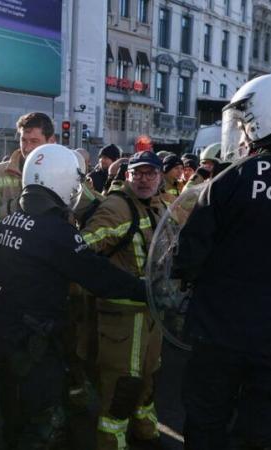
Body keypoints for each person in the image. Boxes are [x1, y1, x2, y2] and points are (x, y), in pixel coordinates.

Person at [0, 144, 147, 448]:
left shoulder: (8, 219)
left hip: (6, 330)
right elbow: (98, 276)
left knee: (12, 407)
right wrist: (144, 290)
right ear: (60, 181)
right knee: (44, 419)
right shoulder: (56, 231)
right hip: (37, 338)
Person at [174, 74, 271, 449]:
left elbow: (186, 257)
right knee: (264, 430)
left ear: (265, 117)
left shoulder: (230, 180)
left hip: (219, 333)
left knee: (207, 422)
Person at [81, 151, 167, 450]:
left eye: (150, 173)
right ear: (127, 176)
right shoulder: (117, 207)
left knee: (149, 376)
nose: (144, 179)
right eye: (138, 173)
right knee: (122, 383)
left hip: (153, 313)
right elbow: (84, 249)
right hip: (122, 317)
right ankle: (111, 442)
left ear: (160, 177)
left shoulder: (159, 207)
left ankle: (145, 429)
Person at [0, 112, 56, 221]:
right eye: (23, 140)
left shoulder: (65, 173)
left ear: (51, 141)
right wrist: (16, 206)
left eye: (34, 141)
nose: (27, 148)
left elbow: (83, 215)